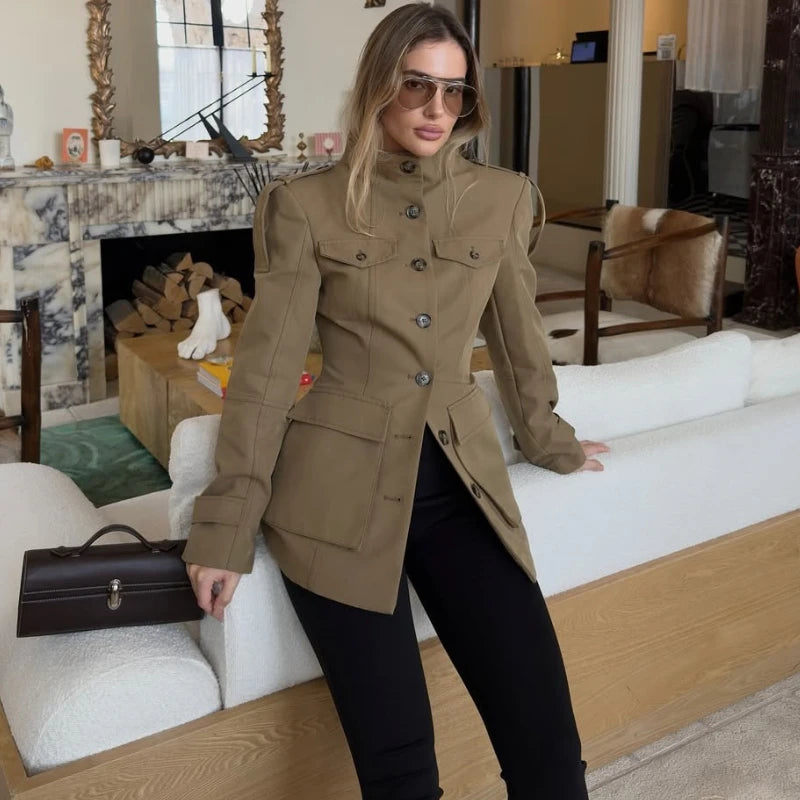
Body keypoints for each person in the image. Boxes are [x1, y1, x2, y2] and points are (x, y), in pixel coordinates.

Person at [182, 4, 609, 798]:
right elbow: (268, 372)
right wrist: (225, 524)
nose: (437, 111)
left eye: (454, 93)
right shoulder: (303, 206)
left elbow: (520, 343)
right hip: (331, 504)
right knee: (402, 771)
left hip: (462, 494)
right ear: (377, 87)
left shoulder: (504, 197)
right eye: (417, 87)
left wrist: (554, 441)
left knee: (548, 746)